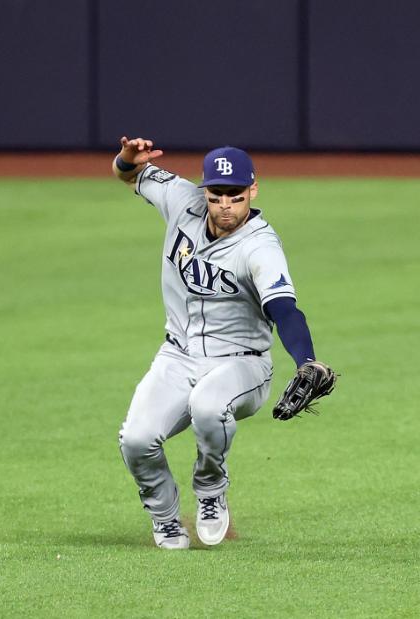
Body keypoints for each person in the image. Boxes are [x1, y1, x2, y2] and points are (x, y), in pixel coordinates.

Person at [112, 137, 328, 549]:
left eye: (236, 195)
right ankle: (164, 516)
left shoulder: (260, 246)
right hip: (177, 355)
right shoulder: (182, 200)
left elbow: (284, 309)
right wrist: (126, 159)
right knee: (137, 439)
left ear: (253, 190)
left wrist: (307, 360)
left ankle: (210, 489)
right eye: (216, 195)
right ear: (203, 190)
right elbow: (128, 175)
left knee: (208, 405)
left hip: (241, 365)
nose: (225, 205)